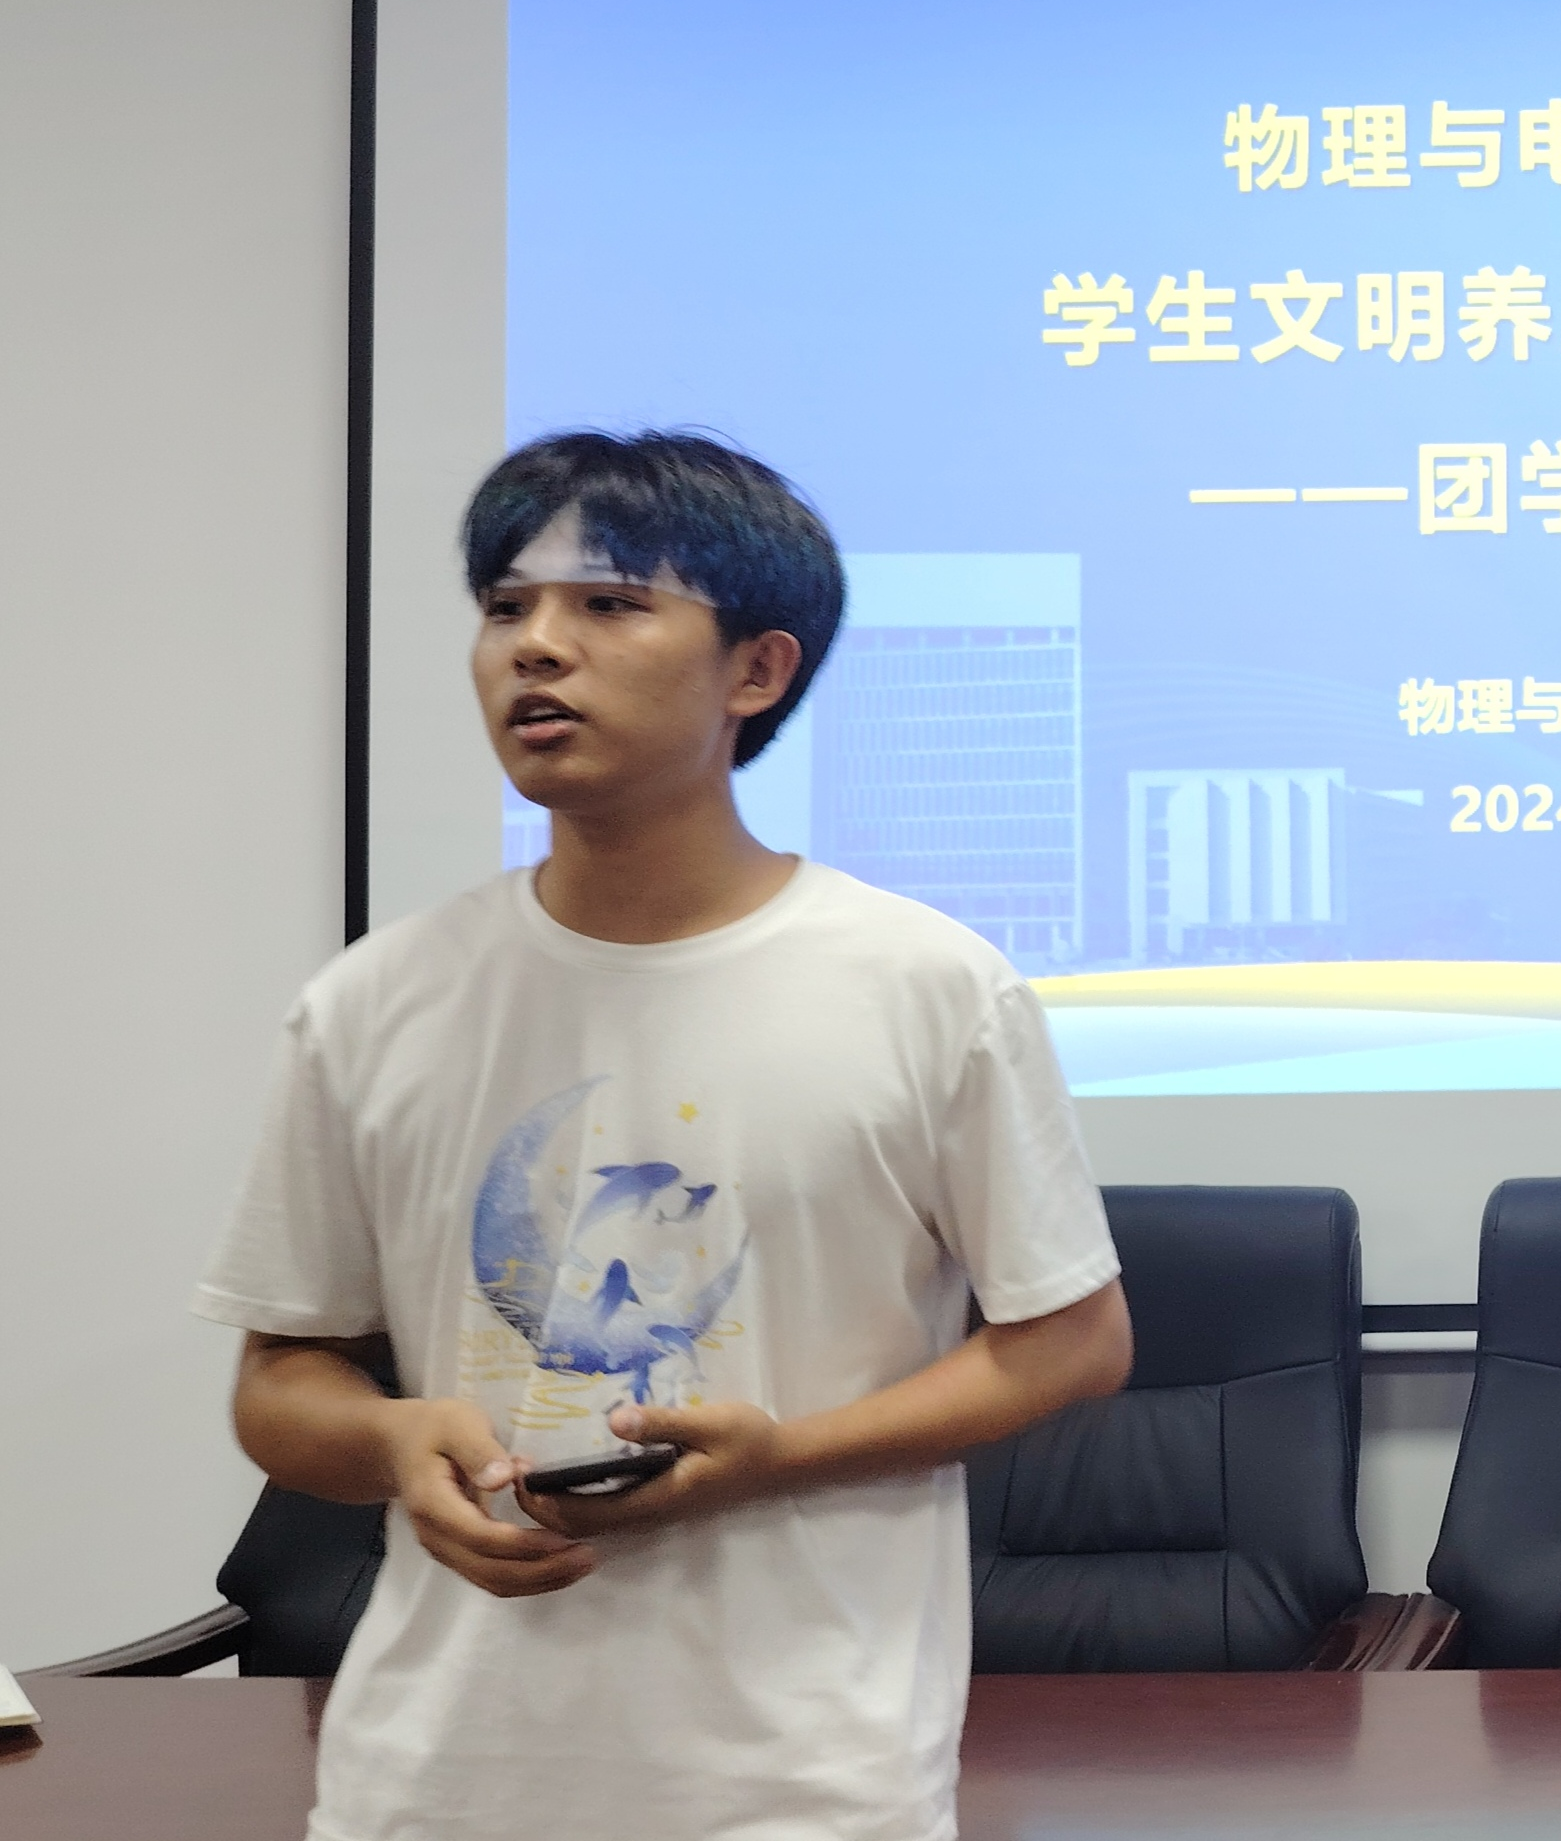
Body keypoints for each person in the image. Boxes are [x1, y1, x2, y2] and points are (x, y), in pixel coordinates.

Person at [194, 430, 1131, 1841]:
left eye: (610, 604)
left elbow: (1073, 1342)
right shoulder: (374, 1002)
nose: (535, 646)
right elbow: (280, 1381)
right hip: (429, 1787)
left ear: (758, 670)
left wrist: (782, 1456)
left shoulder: (928, 987)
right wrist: (390, 1440)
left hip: (804, 1790)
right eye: (505, 608)